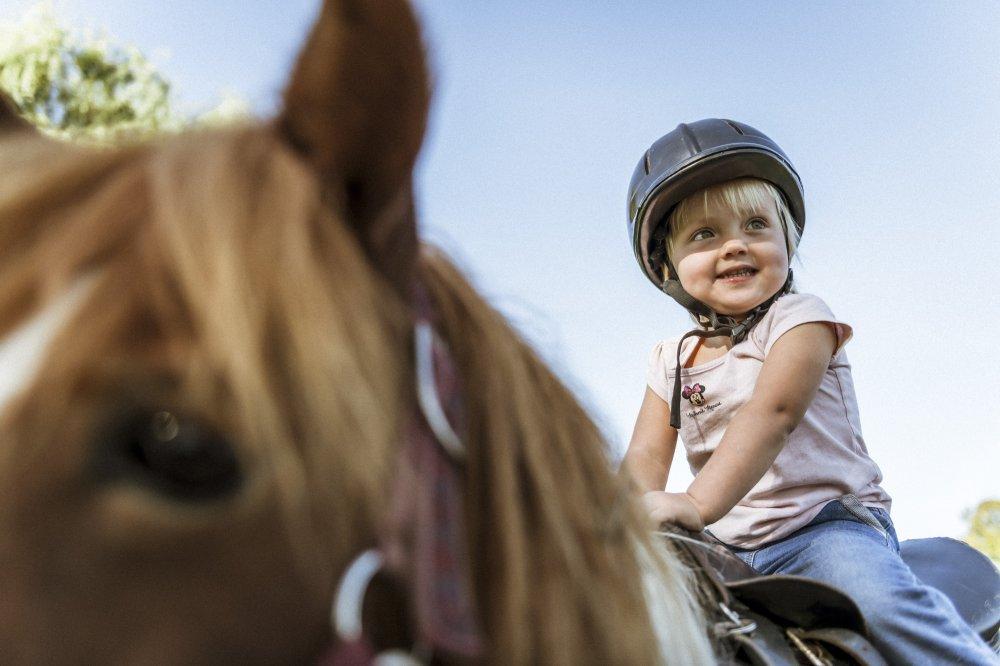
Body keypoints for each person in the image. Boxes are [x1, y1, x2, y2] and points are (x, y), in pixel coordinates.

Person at [621, 118, 998, 664]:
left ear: (786, 241)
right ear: (667, 264)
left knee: (881, 605)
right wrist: (611, 524)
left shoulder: (801, 320)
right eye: (704, 234)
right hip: (724, 544)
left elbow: (773, 413)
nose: (734, 245)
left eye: (755, 225)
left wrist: (696, 503)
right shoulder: (671, 359)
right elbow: (644, 457)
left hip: (822, 527)